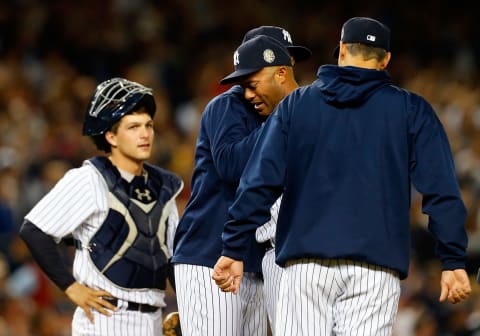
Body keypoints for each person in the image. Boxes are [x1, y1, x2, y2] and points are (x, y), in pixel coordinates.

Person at [213, 17, 472, 336]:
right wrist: (453, 260)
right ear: (386, 59)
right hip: (374, 268)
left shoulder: (298, 104)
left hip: (305, 268)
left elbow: (260, 181)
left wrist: (232, 247)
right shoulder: (411, 110)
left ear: (342, 51)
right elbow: (441, 191)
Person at [172, 27, 310, 336]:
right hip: (209, 257)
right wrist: (283, 122)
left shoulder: (292, 113)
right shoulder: (228, 106)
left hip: (257, 263)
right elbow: (231, 166)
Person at [19, 77, 183, 336]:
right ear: (111, 136)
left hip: (153, 320)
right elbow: (34, 230)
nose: (145, 134)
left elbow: (171, 255)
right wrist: (71, 287)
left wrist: (187, 307)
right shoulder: (90, 179)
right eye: (133, 127)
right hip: (106, 319)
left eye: (148, 125)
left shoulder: (164, 186)